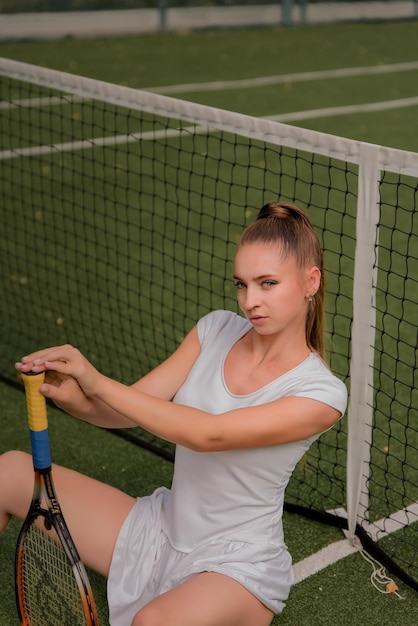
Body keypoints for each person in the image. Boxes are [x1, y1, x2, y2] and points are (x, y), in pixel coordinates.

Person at [2, 201, 347, 626]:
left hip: (235, 565)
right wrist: (73, 397)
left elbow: (209, 434)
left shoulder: (322, 393)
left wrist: (98, 381)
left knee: (153, 622)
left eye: (267, 283)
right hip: (161, 528)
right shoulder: (216, 329)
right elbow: (129, 408)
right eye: (241, 284)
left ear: (310, 280)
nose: (250, 301)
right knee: (7, 472)